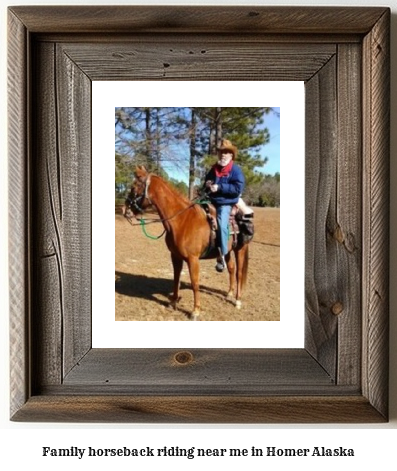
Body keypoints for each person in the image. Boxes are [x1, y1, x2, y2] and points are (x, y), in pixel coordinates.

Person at [204, 139, 245, 272]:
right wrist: (208, 184)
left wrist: (220, 187)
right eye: (221, 152)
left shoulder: (235, 170)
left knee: (222, 223)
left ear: (231, 155)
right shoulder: (214, 168)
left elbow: (238, 188)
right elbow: (207, 180)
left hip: (225, 203)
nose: (223, 154)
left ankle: (222, 255)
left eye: (226, 152)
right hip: (211, 200)